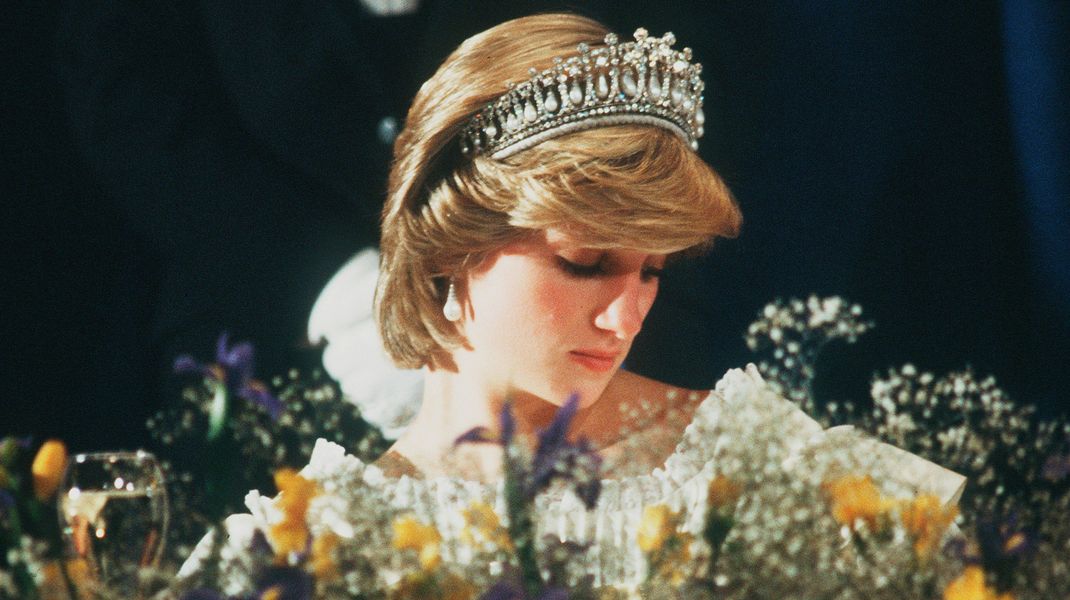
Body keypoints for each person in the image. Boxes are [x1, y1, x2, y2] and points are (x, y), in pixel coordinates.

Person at [181, 14, 965, 591]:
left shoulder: (738, 458)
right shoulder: (317, 541)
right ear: (452, 245)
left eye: (651, 273)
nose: (626, 317)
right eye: (585, 262)